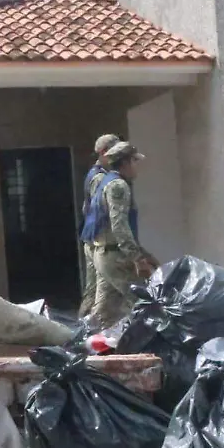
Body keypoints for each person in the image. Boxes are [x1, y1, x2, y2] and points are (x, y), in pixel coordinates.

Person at [83, 141, 161, 327]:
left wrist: (145, 254)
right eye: (134, 161)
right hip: (115, 257)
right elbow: (119, 226)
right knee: (143, 300)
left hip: (105, 255)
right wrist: (137, 258)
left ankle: (83, 343)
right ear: (125, 162)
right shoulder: (118, 186)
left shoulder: (106, 182)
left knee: (103, 312)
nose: (137, 167)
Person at [78, 134, 120, 318]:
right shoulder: (99, 178)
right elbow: (98, 210)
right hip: (98, 243)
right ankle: (87, 329)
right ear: (103, 153)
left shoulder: (96, 175)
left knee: (96, 291)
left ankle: (86, 327)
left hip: (94, 240)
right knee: (99, 293)